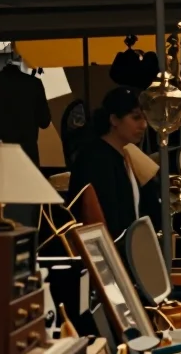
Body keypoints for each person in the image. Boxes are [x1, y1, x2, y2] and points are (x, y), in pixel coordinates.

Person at [68, 86, 162, 241]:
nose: (144, 125)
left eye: (145, 118)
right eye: (136, 117)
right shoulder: (96, 159)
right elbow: (103, 218)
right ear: (114, 120)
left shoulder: (126, 156)